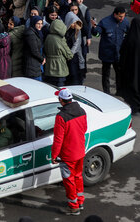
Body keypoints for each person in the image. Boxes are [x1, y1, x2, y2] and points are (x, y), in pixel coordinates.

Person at [51, 88, 88, 216]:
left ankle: (73, 207)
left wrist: (54, 155)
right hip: (80, 152)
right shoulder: (82, 111)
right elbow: (84, 129)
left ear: (61, 100)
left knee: (69, 180)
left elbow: (58, 139)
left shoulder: (61, 117)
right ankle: (80, 201)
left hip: (68, 155)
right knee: (78, 176)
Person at [91, 7, 130, 95]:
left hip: (119, 54)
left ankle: (119, 91)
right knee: (106, 74)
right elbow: (97, 34)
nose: (122, 18)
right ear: (115, 14)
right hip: (107, 54)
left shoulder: (125, 22)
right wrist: (94, 28)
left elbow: (129, 34)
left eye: (123, 16)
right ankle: (106, 93)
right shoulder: (105, 22)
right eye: (120, 16)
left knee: (119, 74)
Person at [43, 19, 73, 86]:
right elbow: (69, 54)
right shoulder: (60, 39)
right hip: (59, 68)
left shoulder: (48, 37)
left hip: (49, 68)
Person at [64, 12, 87, 86]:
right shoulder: (64, 30)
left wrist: (70, 54)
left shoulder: (77, 30)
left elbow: (77, 43)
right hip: (66, 55)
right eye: (73, 23)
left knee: (75, 74)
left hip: (74, 55)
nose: (74, 25)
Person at [23, 16, 45, 80]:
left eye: (41, 23)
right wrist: (42, 59)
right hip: (32, 66)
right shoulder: (30, 34)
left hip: (36, 64)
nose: (40, 25)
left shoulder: (37, 33)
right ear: (33, 23)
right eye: (38, 23)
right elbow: (34, 51)